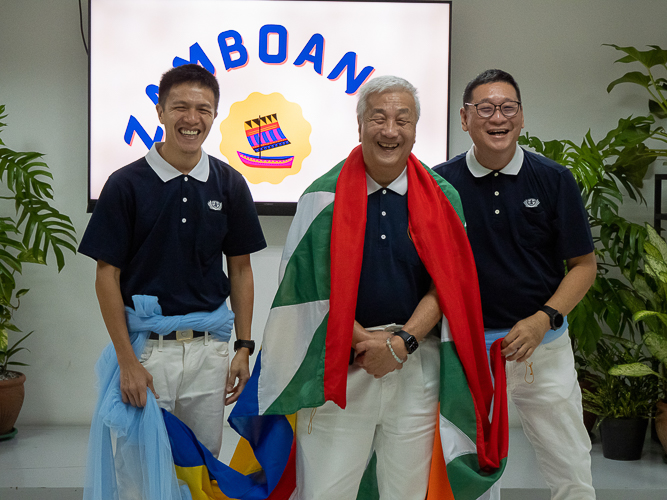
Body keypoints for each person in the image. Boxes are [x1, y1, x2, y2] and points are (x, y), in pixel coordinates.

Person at [240, 75, 507, 500]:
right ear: (359, 124)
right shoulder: (320, 197)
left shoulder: (444, 197)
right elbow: (301, 291)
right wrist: (363, 341)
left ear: (416, 128)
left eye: (403, 119)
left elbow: (450, 288)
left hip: (416, 367)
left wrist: (402, 342)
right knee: (326, 490)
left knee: (408, 492)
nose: (390, 130)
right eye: (378, 118)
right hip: (337, 370)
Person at [79, 63, 266, 463]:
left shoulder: (230, 183)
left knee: (201, 468)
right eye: (180, 107)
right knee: (140, 469)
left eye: (203, 109)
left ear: (215, 116)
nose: (191, 119)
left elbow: (241, 270)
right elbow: (106, 276)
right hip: (147, 354)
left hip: (210, 352)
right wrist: (128, 362)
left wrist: (244, 348)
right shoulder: (125, 184)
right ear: (161, 111)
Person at [434, 69, 597, 500]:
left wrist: (543, 320)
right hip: (468, 354)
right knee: (472, 474)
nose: (497, 117)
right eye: (484, 108)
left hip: (542, 351)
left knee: (571, 466)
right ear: (464, 119)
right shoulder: (439, 184)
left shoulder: (554, 179)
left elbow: (583, 265)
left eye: (508, 108)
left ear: (521, 118)